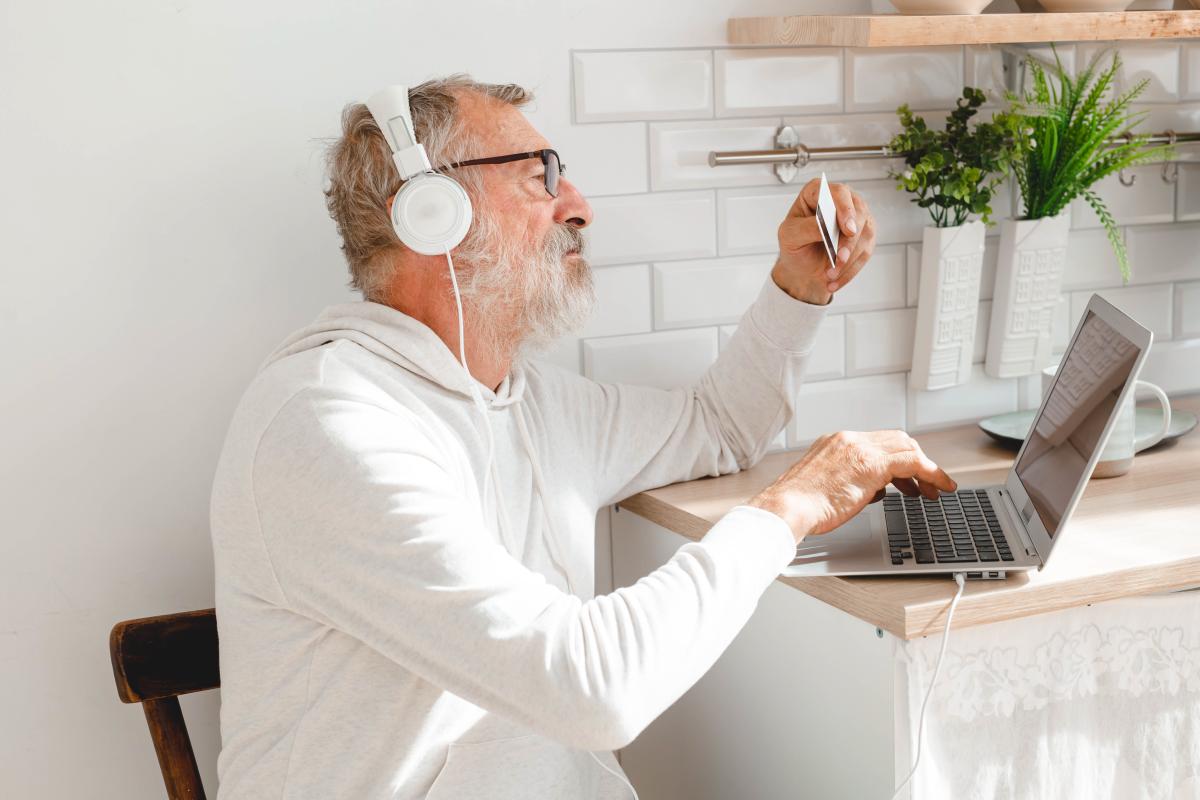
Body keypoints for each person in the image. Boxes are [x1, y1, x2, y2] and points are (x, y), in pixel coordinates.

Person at [209, 73, 957, 800]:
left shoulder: (527, 403)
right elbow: (593, 690)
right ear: (429, 210)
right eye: (541, 176)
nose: (580, 207)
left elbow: (718, 426)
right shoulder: (328, 426)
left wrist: (801, 286)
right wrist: (790, 508)